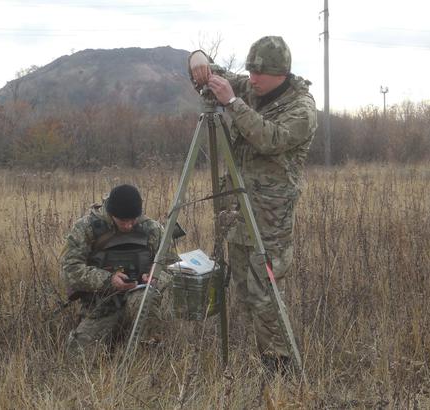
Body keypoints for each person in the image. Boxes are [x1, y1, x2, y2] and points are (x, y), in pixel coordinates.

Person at [189, 36, 317, 372]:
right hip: (239, 213)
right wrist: (197, 58)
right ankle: (264, 360)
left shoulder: (301, 108)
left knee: (265, 297)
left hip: (270, 219)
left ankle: (281, 367)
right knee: (246, 294)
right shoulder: (250, 89)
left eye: (260, 73)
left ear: (281, 74)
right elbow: (208, 77)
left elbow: (270, 139)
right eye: (250, 71)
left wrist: (232, 103)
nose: (253, 79)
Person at [60, 184, 171, 355]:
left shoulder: (152, 229)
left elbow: (173, 268)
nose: (128, 226)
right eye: (122, 221)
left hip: (139, 298)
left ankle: (149, 351)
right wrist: (108, 280)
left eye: (132, 220)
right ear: (111, 214)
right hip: (102, 305)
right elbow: (69, 270)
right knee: (78, 355)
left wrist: (155, 277)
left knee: (145, 301)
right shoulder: (86, 228)